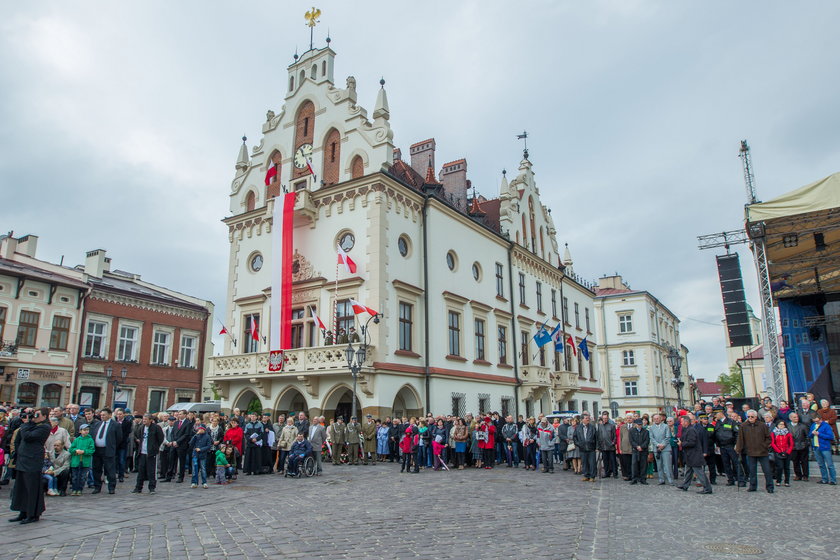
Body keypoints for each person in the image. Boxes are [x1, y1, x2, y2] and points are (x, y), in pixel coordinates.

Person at [10, 407, 51, 523]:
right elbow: (19, 438)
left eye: (37, 415)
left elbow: (28, 436)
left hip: (33, 461)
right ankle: (22, 511)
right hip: (23, 459)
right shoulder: (30, 426)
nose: (34, 417)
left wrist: (26, 423)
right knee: (21, 487)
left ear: (44, 416)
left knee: (31, 488)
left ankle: (32, 513)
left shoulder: (45, 427)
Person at [735, 409, 774, 493]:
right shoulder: (743, 426)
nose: (750, 418)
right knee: (752, 471)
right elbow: (740, 439)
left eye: (752, 416)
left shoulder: (762, 425)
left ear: (756, 417)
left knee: (767, 471)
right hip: (750, 452)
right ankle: (752, 486)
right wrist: (738, 449)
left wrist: (764, 446)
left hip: (762, 452)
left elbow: (768, 438)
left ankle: (770, 487)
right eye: (748, 416)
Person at [676, 415, 712, 494]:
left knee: (699, 472)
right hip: (690, 454)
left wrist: (682, 443)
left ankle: (707, 488)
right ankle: (685, 485)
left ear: (686, 422)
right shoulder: (687, 429)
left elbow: (692, 442)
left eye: (682, 421)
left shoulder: (691, 430)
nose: (681, 423)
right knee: (688, 471)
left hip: (694, 454)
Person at [90, 408, 122, 495]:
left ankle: (111, 487)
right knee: (96, 469)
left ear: (110, 415)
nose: (102, 416)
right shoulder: (97, 424)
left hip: (108, 450)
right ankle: (97, 486)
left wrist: (112, 446)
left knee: (110, 469)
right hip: (97, 450)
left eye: (104, 415)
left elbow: (119, 438)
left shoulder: (115, 425)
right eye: (101, 415)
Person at [132, 414, 164, 494]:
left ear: (150, 420)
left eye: (146, 419)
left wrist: (154, 447)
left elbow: (160, 438)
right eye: (143, 419)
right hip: (142, 452)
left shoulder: (156, 428)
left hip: (151, 453)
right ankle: (138, 487)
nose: (144, 421)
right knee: (141, 470)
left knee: (151, 471)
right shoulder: (142, 427)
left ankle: (152, 487)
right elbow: (139, 436)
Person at [714, 411, 743, 486]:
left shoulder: (731, 422)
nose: (715, 416)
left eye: (716, 414)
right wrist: (717, 445)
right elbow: (716, 434)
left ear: (721, 414)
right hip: (722, 446)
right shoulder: (718, 423)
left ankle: (741, 480)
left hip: (731, 445)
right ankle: (730, 479)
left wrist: (737, 444)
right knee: (726, 464)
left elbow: (737, 433)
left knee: (736, 463)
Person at [68, 423, 94, 496]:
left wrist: (84, 451)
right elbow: (71, 449)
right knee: (74, 476)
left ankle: (80, 489)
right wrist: (76, 450)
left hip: (85, 461)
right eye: (84, 430)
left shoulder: (90, 440)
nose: (86, 431)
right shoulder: (77, 440)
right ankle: (74, 489)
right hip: (76, 461)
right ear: (80, 431)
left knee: (82, 477)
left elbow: (92, 450)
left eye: (87, 430)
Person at [811, 415, 837, 485]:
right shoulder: (813, 425)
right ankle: (824, 479)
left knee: (830, 464)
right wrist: (812, 434)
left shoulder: (826, 426)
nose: (816, 422)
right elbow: (810, 435)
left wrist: (819, 434)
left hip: (825, 447)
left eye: (817, 421)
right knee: (821, 464)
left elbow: (830, 436)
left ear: (820, 419)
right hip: (816, 447)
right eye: (815, 421)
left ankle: (833, 480)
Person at [169, 410, 193, 482]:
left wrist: (178, 441)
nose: (179, 415)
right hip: (174, 444)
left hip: (182, 445)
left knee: (182, 461)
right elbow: (172, 433)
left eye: (180, 414)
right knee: (171, 460)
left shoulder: (188, 423)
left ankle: (180, 477)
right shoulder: (176, 423)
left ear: (185, 415)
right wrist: (173, 441)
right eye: (178, 414)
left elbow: (186, 434)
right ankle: (169, 475)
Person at [648, 414, 672, 485]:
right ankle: (661, 479)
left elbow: (668, 437)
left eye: (657, 418)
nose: (656, 420)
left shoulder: (666, 426)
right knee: (659, 465)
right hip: (656, 448)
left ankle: (670, 480)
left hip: (666, 448)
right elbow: (651, 438)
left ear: (661, 419)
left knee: (667, 465)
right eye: (654, 419)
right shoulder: (651, 428)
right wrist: (658, 445)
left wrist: (663, 444)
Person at [787, 412, 810, 481]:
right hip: (793, 447)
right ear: (790, 418)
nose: (796, 418)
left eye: (797, 417)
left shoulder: (803, 426)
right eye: (794, 417)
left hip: (802, 446)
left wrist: (805, 444)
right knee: (795, 462)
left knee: (804, 462)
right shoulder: (788, 426)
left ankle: (805, 475)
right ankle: (798, 475)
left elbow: (807, 436)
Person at [575, 413, 597, 482]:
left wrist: (596, 446)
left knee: (592, 463)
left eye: (588, 418)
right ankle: (586, 475)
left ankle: (592, 476)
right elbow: (575, 438)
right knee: (584, 463)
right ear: (582, 420)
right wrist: (579, 444)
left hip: (591, 448)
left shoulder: (592, 427)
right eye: (586, 418)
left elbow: (596, 437)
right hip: (582, 448)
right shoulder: (578, 428)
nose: (588, 419)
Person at [770, 420, 793, 486]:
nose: (781, 426)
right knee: (779, 467)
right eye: (780, 424)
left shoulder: (788, 433)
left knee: (787, 467)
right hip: (778, 452)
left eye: (782, 424)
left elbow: (791, 443)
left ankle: (787, 481)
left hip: (787, 452)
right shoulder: (774, 433)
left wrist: (788, 451)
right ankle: (778, 480)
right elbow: (773, 443)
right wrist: (779, 451)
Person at [628, 419, 649, 485]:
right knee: (634, 465)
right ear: (635, 424)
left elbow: (647, 441)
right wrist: (637, 446)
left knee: (643, 465)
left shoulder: (646, 431)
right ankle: (634, 478)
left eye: (640, 424)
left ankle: (643, 478)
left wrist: (641, 447)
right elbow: (631, 441)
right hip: (635, 450)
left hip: (643, 450)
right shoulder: (631, 431)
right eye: (638, 424)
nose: (640, 426)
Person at [596, 412, 617, 479]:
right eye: (604, 418)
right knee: (605, 461)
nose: (605, 419)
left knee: (613, 460)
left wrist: (613, 443)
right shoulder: (600, 426)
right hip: (603, 446)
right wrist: (598, 446)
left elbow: (614, 436)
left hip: (611, 446)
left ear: (608, 418)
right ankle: (607, 473)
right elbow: (599, 436)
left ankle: (615, 473)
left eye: (606, 418)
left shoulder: (611, 426)